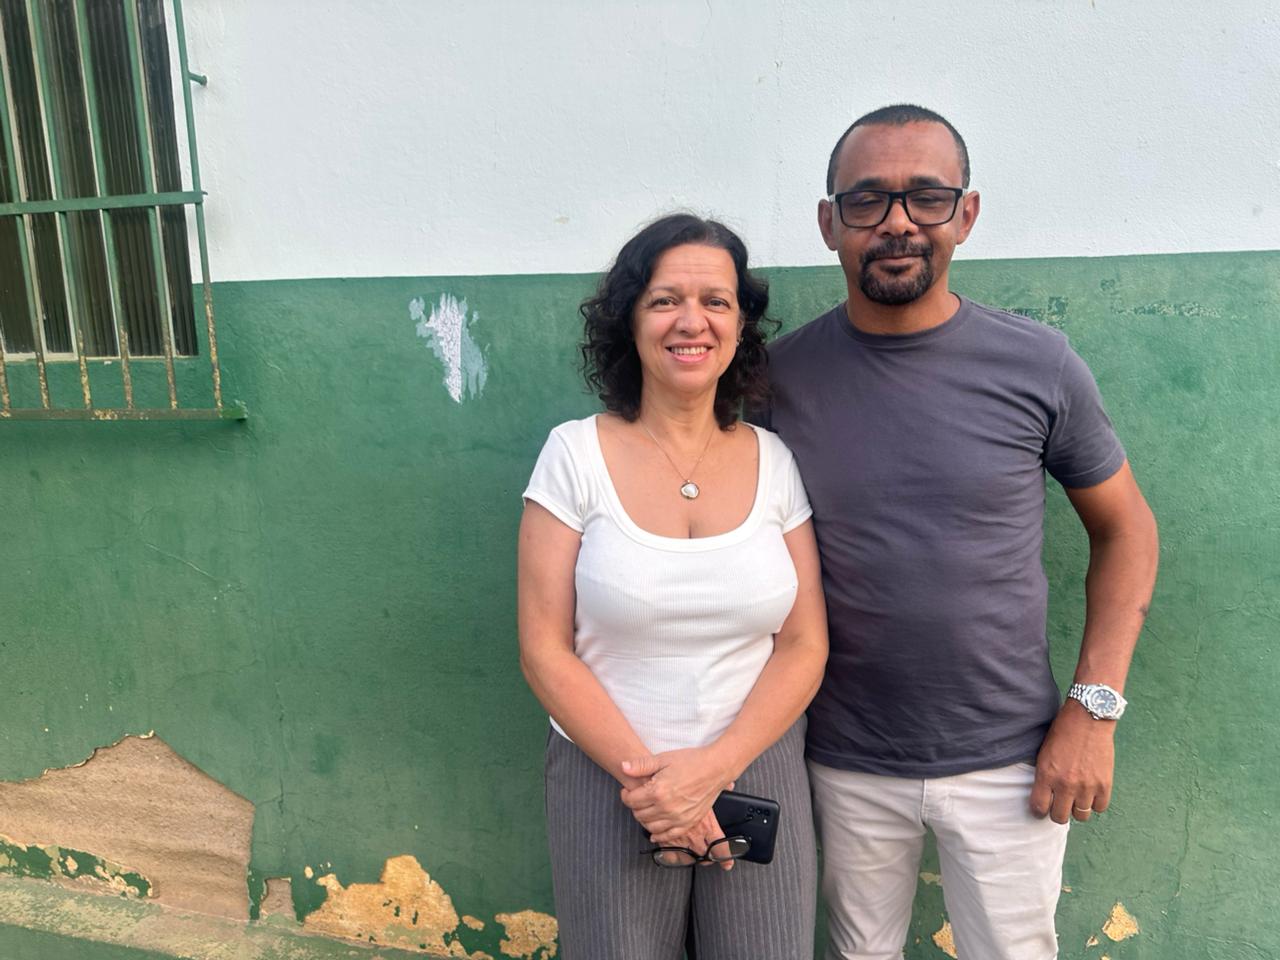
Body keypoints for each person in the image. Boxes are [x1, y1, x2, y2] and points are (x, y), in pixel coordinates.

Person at [757, 105, 1160, 959]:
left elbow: (1127, 532)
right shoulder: (778, 381)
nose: (898, 222)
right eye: (867, 200)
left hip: (1011, 757)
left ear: (966, 214)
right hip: (840, 756)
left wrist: (1093, 712)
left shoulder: (1038, 364)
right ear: (829, 223)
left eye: (927, 197)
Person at [517, 213, 828, 959]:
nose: (692, 322)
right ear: (630, 320)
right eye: (664, 300)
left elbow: (804, 643)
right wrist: (658, 791)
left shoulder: (774, 461)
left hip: (756, 766)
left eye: (716, 301)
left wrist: (713, 770)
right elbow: (544, 649)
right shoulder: (573, 455)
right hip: (608, 773)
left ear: (740, 325)